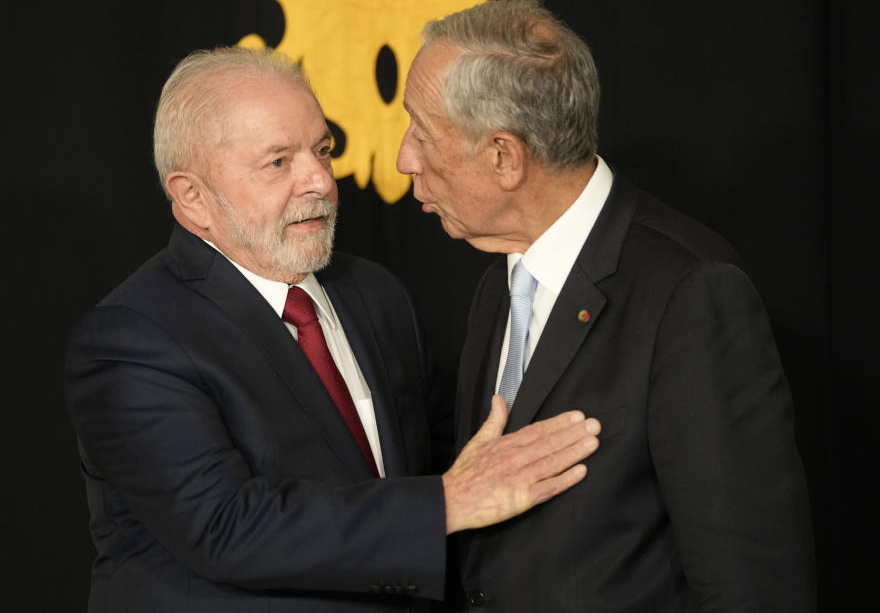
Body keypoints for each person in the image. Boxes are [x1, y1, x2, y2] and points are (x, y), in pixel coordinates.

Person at [64, 46, 602, 613]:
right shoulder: (132, 339)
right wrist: (446, 502)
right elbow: (225, 530)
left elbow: (445, 462)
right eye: (278, 162)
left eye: (322, 150)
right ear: (192, 197)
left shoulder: (374, 293)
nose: (320, 181)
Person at [397, 0, 816, 612]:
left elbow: (752, 585)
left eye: (422, 132)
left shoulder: (691, 292)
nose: (405, 158)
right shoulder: (500, 283)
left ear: (503, 157)